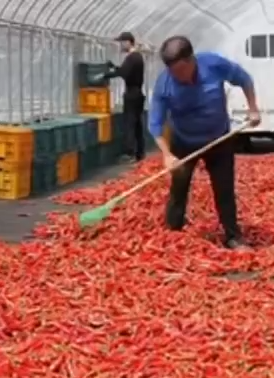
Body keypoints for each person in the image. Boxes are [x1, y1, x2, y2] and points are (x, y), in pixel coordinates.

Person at [148, 36, 261, 250]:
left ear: (192, 60)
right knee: (179, 187)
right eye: (172, 72)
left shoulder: (213, 64)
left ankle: (233, 236)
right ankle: (173, 233)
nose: (177, 76)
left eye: (180, 70)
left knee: (224, 188)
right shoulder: (164, 84)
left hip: (218, 139)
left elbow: (244, 79)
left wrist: (253, 108)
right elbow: (155, 124)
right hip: (183, 141)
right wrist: (167, 155)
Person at [107, 33, 146, 162]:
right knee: (137, 124)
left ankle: (130, 153)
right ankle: (140, 153)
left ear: (129, 42)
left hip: (132, 94)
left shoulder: (132, 57)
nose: (121, 45)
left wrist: (108, 74)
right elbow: (126, 71)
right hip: (138, 94)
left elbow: (124, 72)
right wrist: (115, 68)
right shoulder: (138, 57)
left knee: (130, 123)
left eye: (122, 42)